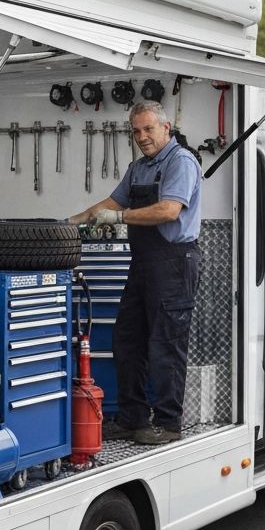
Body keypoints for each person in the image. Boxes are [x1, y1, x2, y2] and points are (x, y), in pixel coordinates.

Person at [68, 100, 202, 445]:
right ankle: (133, 419)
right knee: (126, 341)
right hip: (142, 264)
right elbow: (113, 202)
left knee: (166, 346)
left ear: (166, 128)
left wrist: (120, 218)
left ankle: (169, 424)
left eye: (148, 129)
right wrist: (72, 222)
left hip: (173, 263)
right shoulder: (139, 167)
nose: (142, 136)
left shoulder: (181, 161)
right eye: (136, 131)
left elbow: (170, 210)